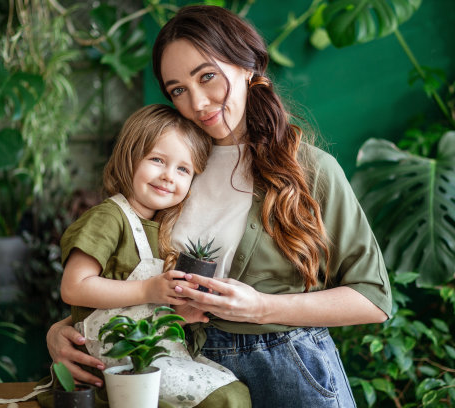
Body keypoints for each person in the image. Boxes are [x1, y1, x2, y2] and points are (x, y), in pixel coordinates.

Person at [47, 5, 392, 407]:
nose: (197, 102)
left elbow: (373, 299)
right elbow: (127, 274)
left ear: (248, 66)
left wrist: (262, 307)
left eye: (207, 76)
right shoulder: (176, 172)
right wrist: (63, 330)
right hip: (188, 370)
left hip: (290, 372)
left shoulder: (311, 171)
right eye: (178, 90)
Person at [52, 103, 251, 407]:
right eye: (157, 160)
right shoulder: (109, 217)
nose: (169, 176)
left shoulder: (159, 229)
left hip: (147, 355)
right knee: (224, 398)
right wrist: (148, 288)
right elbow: (74, 288)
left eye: (183, 169)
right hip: (115, 365)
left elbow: (135, 313)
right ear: (129, 157)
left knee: (233, 389)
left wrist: (180, 316)